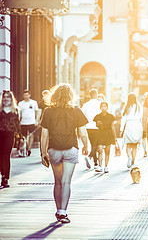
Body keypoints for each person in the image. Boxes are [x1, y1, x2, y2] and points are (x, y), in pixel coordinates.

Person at [40, 84, 89, 224]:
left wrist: (44, 153)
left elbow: (44, 134)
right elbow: (83, 133)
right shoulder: (76, 110)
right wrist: (86, 146)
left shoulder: (48, 111)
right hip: (71, 149)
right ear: (71, 96)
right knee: (66, 181)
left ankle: (57, 209)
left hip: (54, 149)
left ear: (55, 96)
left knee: (57, 182)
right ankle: (63, 212)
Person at [0, 90, 21, 188]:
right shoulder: (0, 109)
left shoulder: (15, 110)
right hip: (0, 135)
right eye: (4, 97)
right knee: (0, 156)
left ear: (11, 98)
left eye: (8, 97)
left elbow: (18, 125)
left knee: (6, 156)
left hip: (10, 135)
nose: (6, 99)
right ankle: (2, 175)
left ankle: (5, 179)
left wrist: (20, 137)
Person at [93, 101, 116, 173]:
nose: (103, 108)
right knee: (100, 150)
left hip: (108, 134)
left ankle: (106, 166)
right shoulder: (97, 116)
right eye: (102, 106)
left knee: (107, 151)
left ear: (107, 107)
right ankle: (100, 166)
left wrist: (115, 137)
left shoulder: (111, 116)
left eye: (105, 106)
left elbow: (112, 127)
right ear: (100, 108)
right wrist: (99, 123)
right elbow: (96, 125)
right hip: (100, 133)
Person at [121, 93, 143, 168]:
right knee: (135, 146)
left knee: (128, 144)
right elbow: (141, 118)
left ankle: (129, 157)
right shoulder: (139, 107)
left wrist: (121, 129)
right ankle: (133, 162)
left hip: (129, 125)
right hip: (137, 125)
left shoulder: (127, 107)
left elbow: (123, 119)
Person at [81, 89, 101, 170]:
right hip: (98, 127)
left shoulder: (85, 105)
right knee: (96, 144)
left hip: (88, 127)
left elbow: (82, 116)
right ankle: (89, 157)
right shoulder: (100, 104)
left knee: (93, 144)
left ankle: (95, 163)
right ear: (96, 94)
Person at [18, 89, 39, 156]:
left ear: (30, 95)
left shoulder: (34, 102)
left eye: (27, 95)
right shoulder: (20, 103)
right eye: (24, 95)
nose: (26, 96)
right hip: (23, 122)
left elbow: (37, 112)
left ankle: (29, 149)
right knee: (23, 137)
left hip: (31, 122)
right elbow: (19, 113)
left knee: (31, 136)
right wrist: (18, 121)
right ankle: (24, 149)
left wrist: (36, 120)